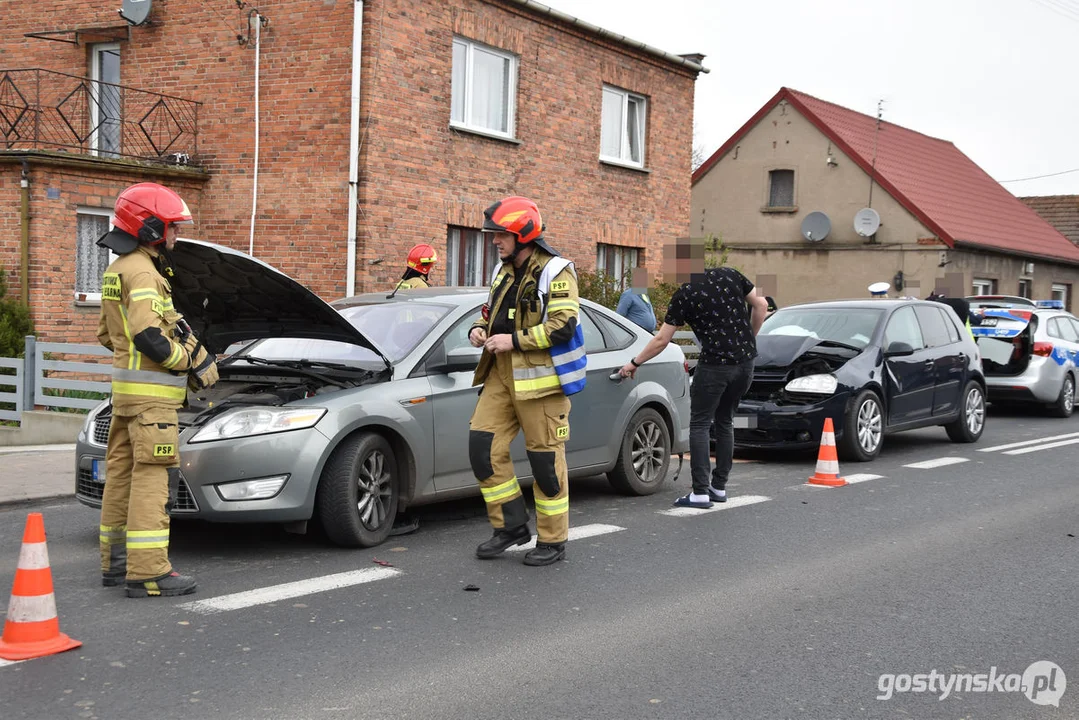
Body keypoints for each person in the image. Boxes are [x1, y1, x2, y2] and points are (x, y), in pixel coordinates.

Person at [96, 183, 219, 598]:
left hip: (125, 399)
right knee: (151, 481)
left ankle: (115, 564)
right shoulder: (146, 272)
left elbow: (106, 335)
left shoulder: (117, 269)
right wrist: (188, 362)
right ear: (150, 227)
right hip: (153, 405)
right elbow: (149, 336)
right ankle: (148, 572)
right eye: (172, 228)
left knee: (121, 478)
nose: (176, 237)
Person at [467, 196, 585, 566]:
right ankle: (510, 526)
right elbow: (492, 312)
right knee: (482, 449)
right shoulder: (503, 270)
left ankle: (552, 540)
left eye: (500, 235)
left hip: (543, 383)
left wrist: (513, 340)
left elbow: (563, 325)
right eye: (494, 235)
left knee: (546, 465)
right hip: (501, 376)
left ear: (522, 234)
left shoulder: (556, 271)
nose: (494, 241)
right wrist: (479, 328)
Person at [618, 237, 767, 509]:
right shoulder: (730, 275)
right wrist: (749, 339)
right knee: (725, 422)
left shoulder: (684, 294)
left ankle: (699, 492)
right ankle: (719, 488)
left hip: (715, 367)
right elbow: (762, 305)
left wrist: (634, 363)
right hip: (745, 364)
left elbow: (661, 340)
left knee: (699, 424)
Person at [616, 268, 657, 333]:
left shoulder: (644, 294)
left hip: (647, 333)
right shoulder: (628, 294)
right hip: (635, 333)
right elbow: (619, 315)